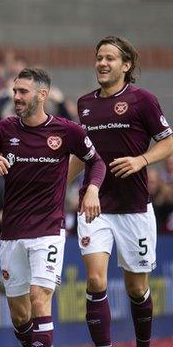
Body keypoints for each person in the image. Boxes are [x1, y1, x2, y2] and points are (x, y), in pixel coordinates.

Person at [0, 68, 106, 347]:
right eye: (15, 91)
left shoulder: (66, 131)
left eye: (22, 91)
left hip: (48, 230)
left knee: (40, 297)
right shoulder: (3, 129)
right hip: (12, 233)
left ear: (42, 94)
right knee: (20, 315)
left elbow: (96, 161)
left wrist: (92, 189)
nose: (16, 97)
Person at [68, 36, 173, 347]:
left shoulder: (144, 100)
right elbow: (81, 154)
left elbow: (168, 141)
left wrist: (142, 159)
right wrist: (57, 185)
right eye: (99, 57)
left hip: (135, 207)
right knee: (95, 280)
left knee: (137, 289)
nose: (102, 63)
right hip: (94, 203)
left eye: (109, 58)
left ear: (126, 65)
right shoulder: (85, 104)